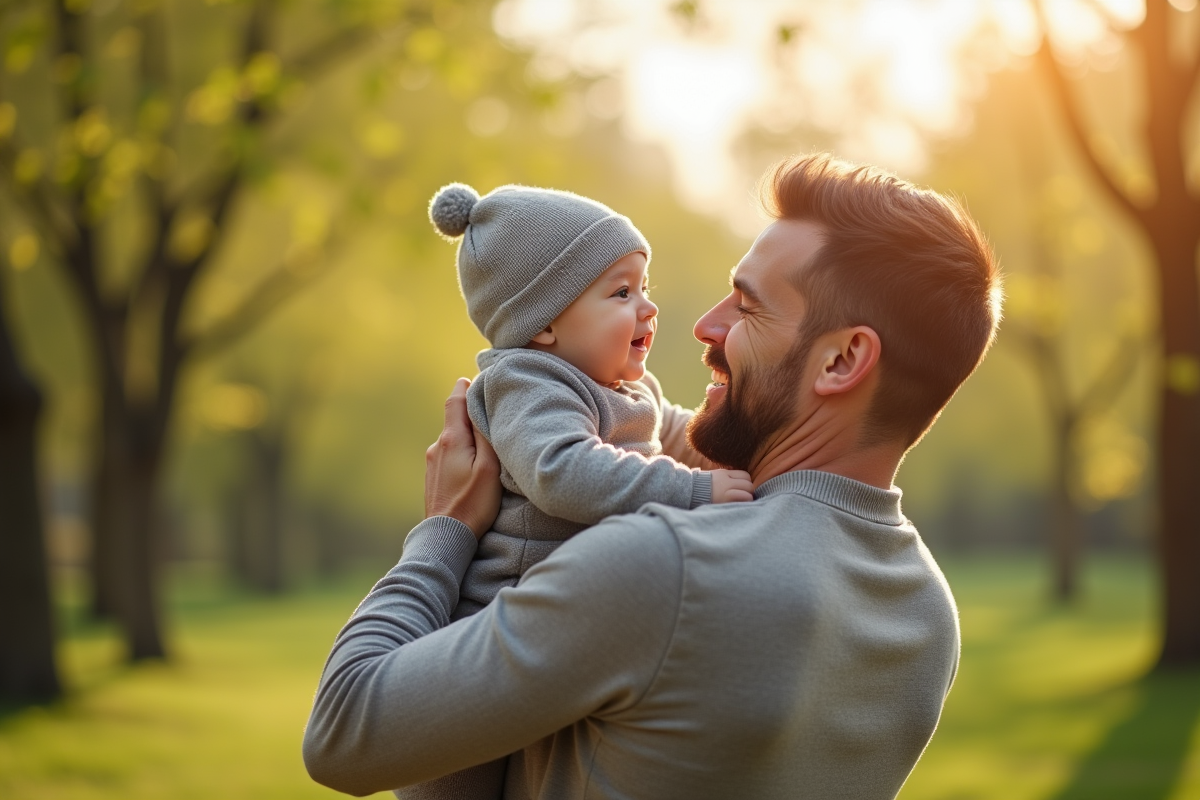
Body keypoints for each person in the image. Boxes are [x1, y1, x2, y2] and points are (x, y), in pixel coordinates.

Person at [303, 153, 1003, 799]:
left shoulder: (664, 568)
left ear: (842, 361)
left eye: (748, 305)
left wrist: (446, 529)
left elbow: (343, 735)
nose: (704, 325)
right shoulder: (926, 617)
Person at [400, 184, 752, 799]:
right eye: (621, 293)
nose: (647, 308)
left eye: (646, 288)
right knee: (456, 777)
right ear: (542, 326)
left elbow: (677, 433)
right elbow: (562, 473)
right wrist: (696, 491)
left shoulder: (623, 388)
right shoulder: (529, 385)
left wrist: (749, 446)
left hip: (569, 626)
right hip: (493, 628)